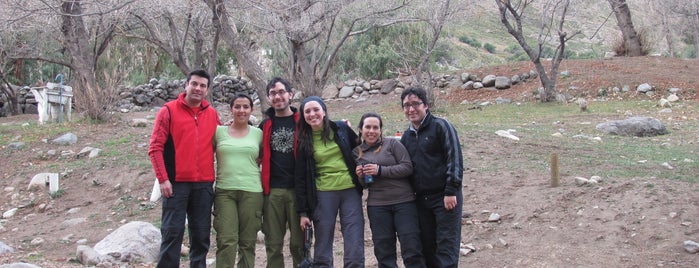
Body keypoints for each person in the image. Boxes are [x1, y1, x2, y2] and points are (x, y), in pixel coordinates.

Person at [148, 69, 220, 268]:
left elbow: (223, 142)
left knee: (201, 236)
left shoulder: (212, 114)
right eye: (194, 84)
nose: (198, 88)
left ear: (207, 90)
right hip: (175, 185)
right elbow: (155, 148)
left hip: (204, 185)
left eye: (202, 85)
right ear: (186, 85)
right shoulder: (168, 111)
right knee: (172, 234)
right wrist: (163, 179)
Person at [295, 96, 364, 267]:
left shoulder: (341, 128)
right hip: (323, 193)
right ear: (303, 116)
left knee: (354, 238)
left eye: (316, 109)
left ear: (324, 111)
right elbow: (301, 178)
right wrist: (303, 212)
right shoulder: (303, 140)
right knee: (323, 242)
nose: (312, 114)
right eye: (307, 111)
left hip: (350, 191)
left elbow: (359, 147)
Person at [399, 86, 464, 268]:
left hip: (445, 198)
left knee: (446, 247)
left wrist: (451, 190)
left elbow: (455, 159)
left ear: (425, 105)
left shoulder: (441, 126)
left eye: (415, 104)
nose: (411, 109)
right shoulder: (406, 137)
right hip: (421, 201)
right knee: (428, 248)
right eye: (406, 105)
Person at [353, 112, 426, 268]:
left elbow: (407, 167)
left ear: (380, 130)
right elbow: (366, 184)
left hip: (404, 203)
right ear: (360, 129)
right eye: (368, 127)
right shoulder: (357, 152)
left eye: (375, 127)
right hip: (377, 206)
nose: (371, 131)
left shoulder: (392, 144)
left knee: (412, 249)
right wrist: (361, 177)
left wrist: (380, 170)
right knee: (384, 252)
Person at [212, 93, 263, 268]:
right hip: (225, 192)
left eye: (245, 107)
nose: (241, 110)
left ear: (251, 110)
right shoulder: (219, 132)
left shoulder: (258, 134)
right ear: (231, 109)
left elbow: (265, 157)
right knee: (227, 241)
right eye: (237, 107)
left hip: (252, 192)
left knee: (248, 243)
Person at [258, 77, 304, 267]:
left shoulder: (303, 122)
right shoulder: (264, 125)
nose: (277, 97)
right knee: (273, 243)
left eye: (281, 92)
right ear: (269, 98)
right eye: (273, 93)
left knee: (299, 244)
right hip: (272, 191)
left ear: (290, 95)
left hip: (297, 190)